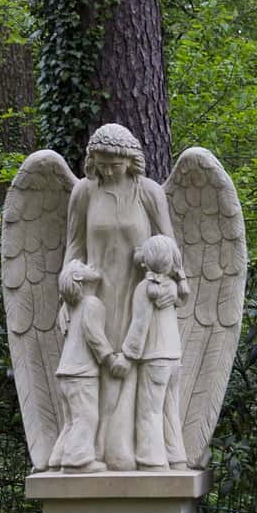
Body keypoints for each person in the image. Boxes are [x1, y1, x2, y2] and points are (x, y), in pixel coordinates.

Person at [62, 124, 188, 469]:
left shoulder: (148, 193)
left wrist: (174, 287)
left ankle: (133, 454)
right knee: (96, 381)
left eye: (115, 165)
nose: (107, 171)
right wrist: (67, 286)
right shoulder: (84, 193)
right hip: (96, 298)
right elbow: (73, 247)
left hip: (139, 296)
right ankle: (91, 453)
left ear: (131, 161)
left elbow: (170, 250)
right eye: (101, 164)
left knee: (134, 377)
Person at [48, 260, 128, 472]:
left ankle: (57, 458)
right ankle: (78, 461)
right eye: (83, 266)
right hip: (81, 373)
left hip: (66, 372)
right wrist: (111, 360)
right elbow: (95, 338)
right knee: (86, 417)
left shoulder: (71, 307)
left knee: (71, 421)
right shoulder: (91, 303)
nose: (90, 265)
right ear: (78, 278)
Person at [121, 235, 189, 470]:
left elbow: (139, 327)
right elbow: (183, 295)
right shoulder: (172, 287)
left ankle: (152, 461)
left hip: (154, 357)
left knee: (149, 412)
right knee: (171, 410)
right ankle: (177, 457)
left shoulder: (146, 288)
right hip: (174, 357)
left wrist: (127, 356)